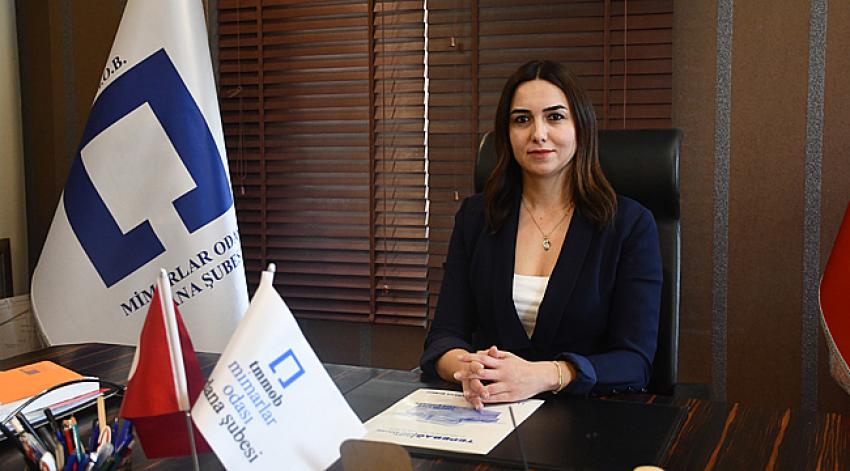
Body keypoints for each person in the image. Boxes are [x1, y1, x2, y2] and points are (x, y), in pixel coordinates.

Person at [420, 60, 662, 409]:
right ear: (507, 134)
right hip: (489, 411)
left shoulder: (629, 225)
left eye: (555, 117)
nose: (538, 134)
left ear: (581, 126)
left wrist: (545, 375)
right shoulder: (476, 218)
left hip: (588, 417)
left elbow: (635, 361)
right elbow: (444, 336)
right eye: (522, 120)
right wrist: (467, 368)